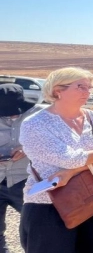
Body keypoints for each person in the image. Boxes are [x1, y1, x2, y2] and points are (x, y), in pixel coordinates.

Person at [20, 67, 93, 253]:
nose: (88, 92)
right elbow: (69, 158)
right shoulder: (35, 124)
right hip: (48, 206)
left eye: (90, 87)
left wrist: (72, 173)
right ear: (58, 90)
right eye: (80, 87)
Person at [0, 84, 42, 253]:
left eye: (15, 111)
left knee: (36, 228)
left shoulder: (39, 115)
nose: (12, 115)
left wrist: (27, 148)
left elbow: (53, 142)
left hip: (26, 181)